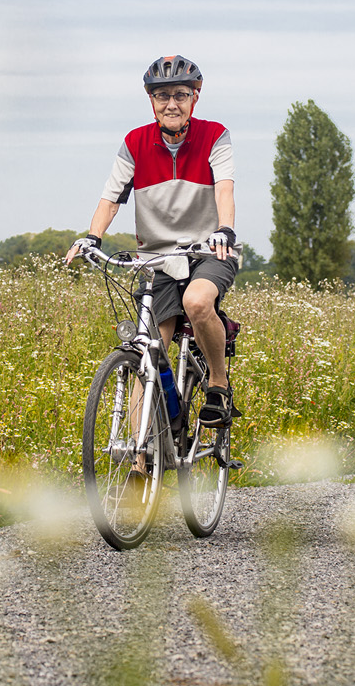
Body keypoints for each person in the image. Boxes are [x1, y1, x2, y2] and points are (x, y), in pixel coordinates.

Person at [65, 54, 240, 428]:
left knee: (196, 301)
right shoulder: (135, 142)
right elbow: (111, 198)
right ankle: (139, 465)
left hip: (209, 250)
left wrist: (224, 229)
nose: (171, 104)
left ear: (195, 97)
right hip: (157, 260)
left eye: (180, 94)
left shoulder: (214, 135)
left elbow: (224, 189)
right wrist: (92, 237)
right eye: (162, 96)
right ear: (151, 101)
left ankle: (218, 384)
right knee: (147, 351)